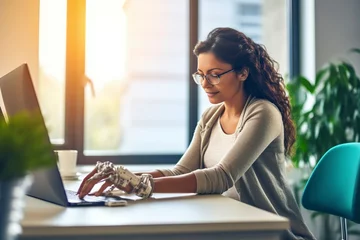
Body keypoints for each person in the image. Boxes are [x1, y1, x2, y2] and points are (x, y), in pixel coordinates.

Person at [77, 27, 315, 240]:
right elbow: (180, 171)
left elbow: (222, 176)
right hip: (227, 224)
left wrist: (143, 185)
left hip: (270, 232)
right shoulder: (210, 117)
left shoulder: (263, 113)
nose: (205, 83)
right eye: (201, 74)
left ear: (243, 73)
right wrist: (121, 176)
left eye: (215, 74)